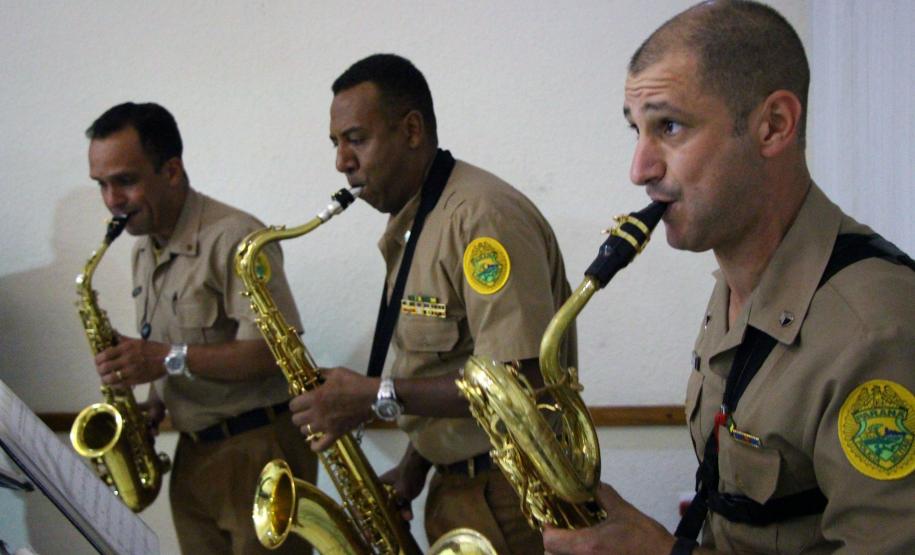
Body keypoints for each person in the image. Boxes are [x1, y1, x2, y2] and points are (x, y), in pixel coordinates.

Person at [542, 1, 915, 554]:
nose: (639, 169)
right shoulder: (735, 282)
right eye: (636, 130)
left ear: (773, 126)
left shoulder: (874, 327)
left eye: (668, 126)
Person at [288, 54, 576, 554]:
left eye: (355, 139)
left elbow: (515, 383)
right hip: (461, 487)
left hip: (509, 495)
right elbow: (451, 361)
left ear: (413, 130)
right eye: (336, 144)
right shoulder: (420, 219)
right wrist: (414, 466)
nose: (341, 162)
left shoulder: (480, 216)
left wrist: (371, 395)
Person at [86, 102, 318, 555]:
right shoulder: (143, 249)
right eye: (102, 185)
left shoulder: (235, 238)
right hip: (192, 454)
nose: (112, 200)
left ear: (171, 171)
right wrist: (153, 405)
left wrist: (164, 359)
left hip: (257, 449)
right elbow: (181, 344)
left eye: (126, 181)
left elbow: (276, 351)